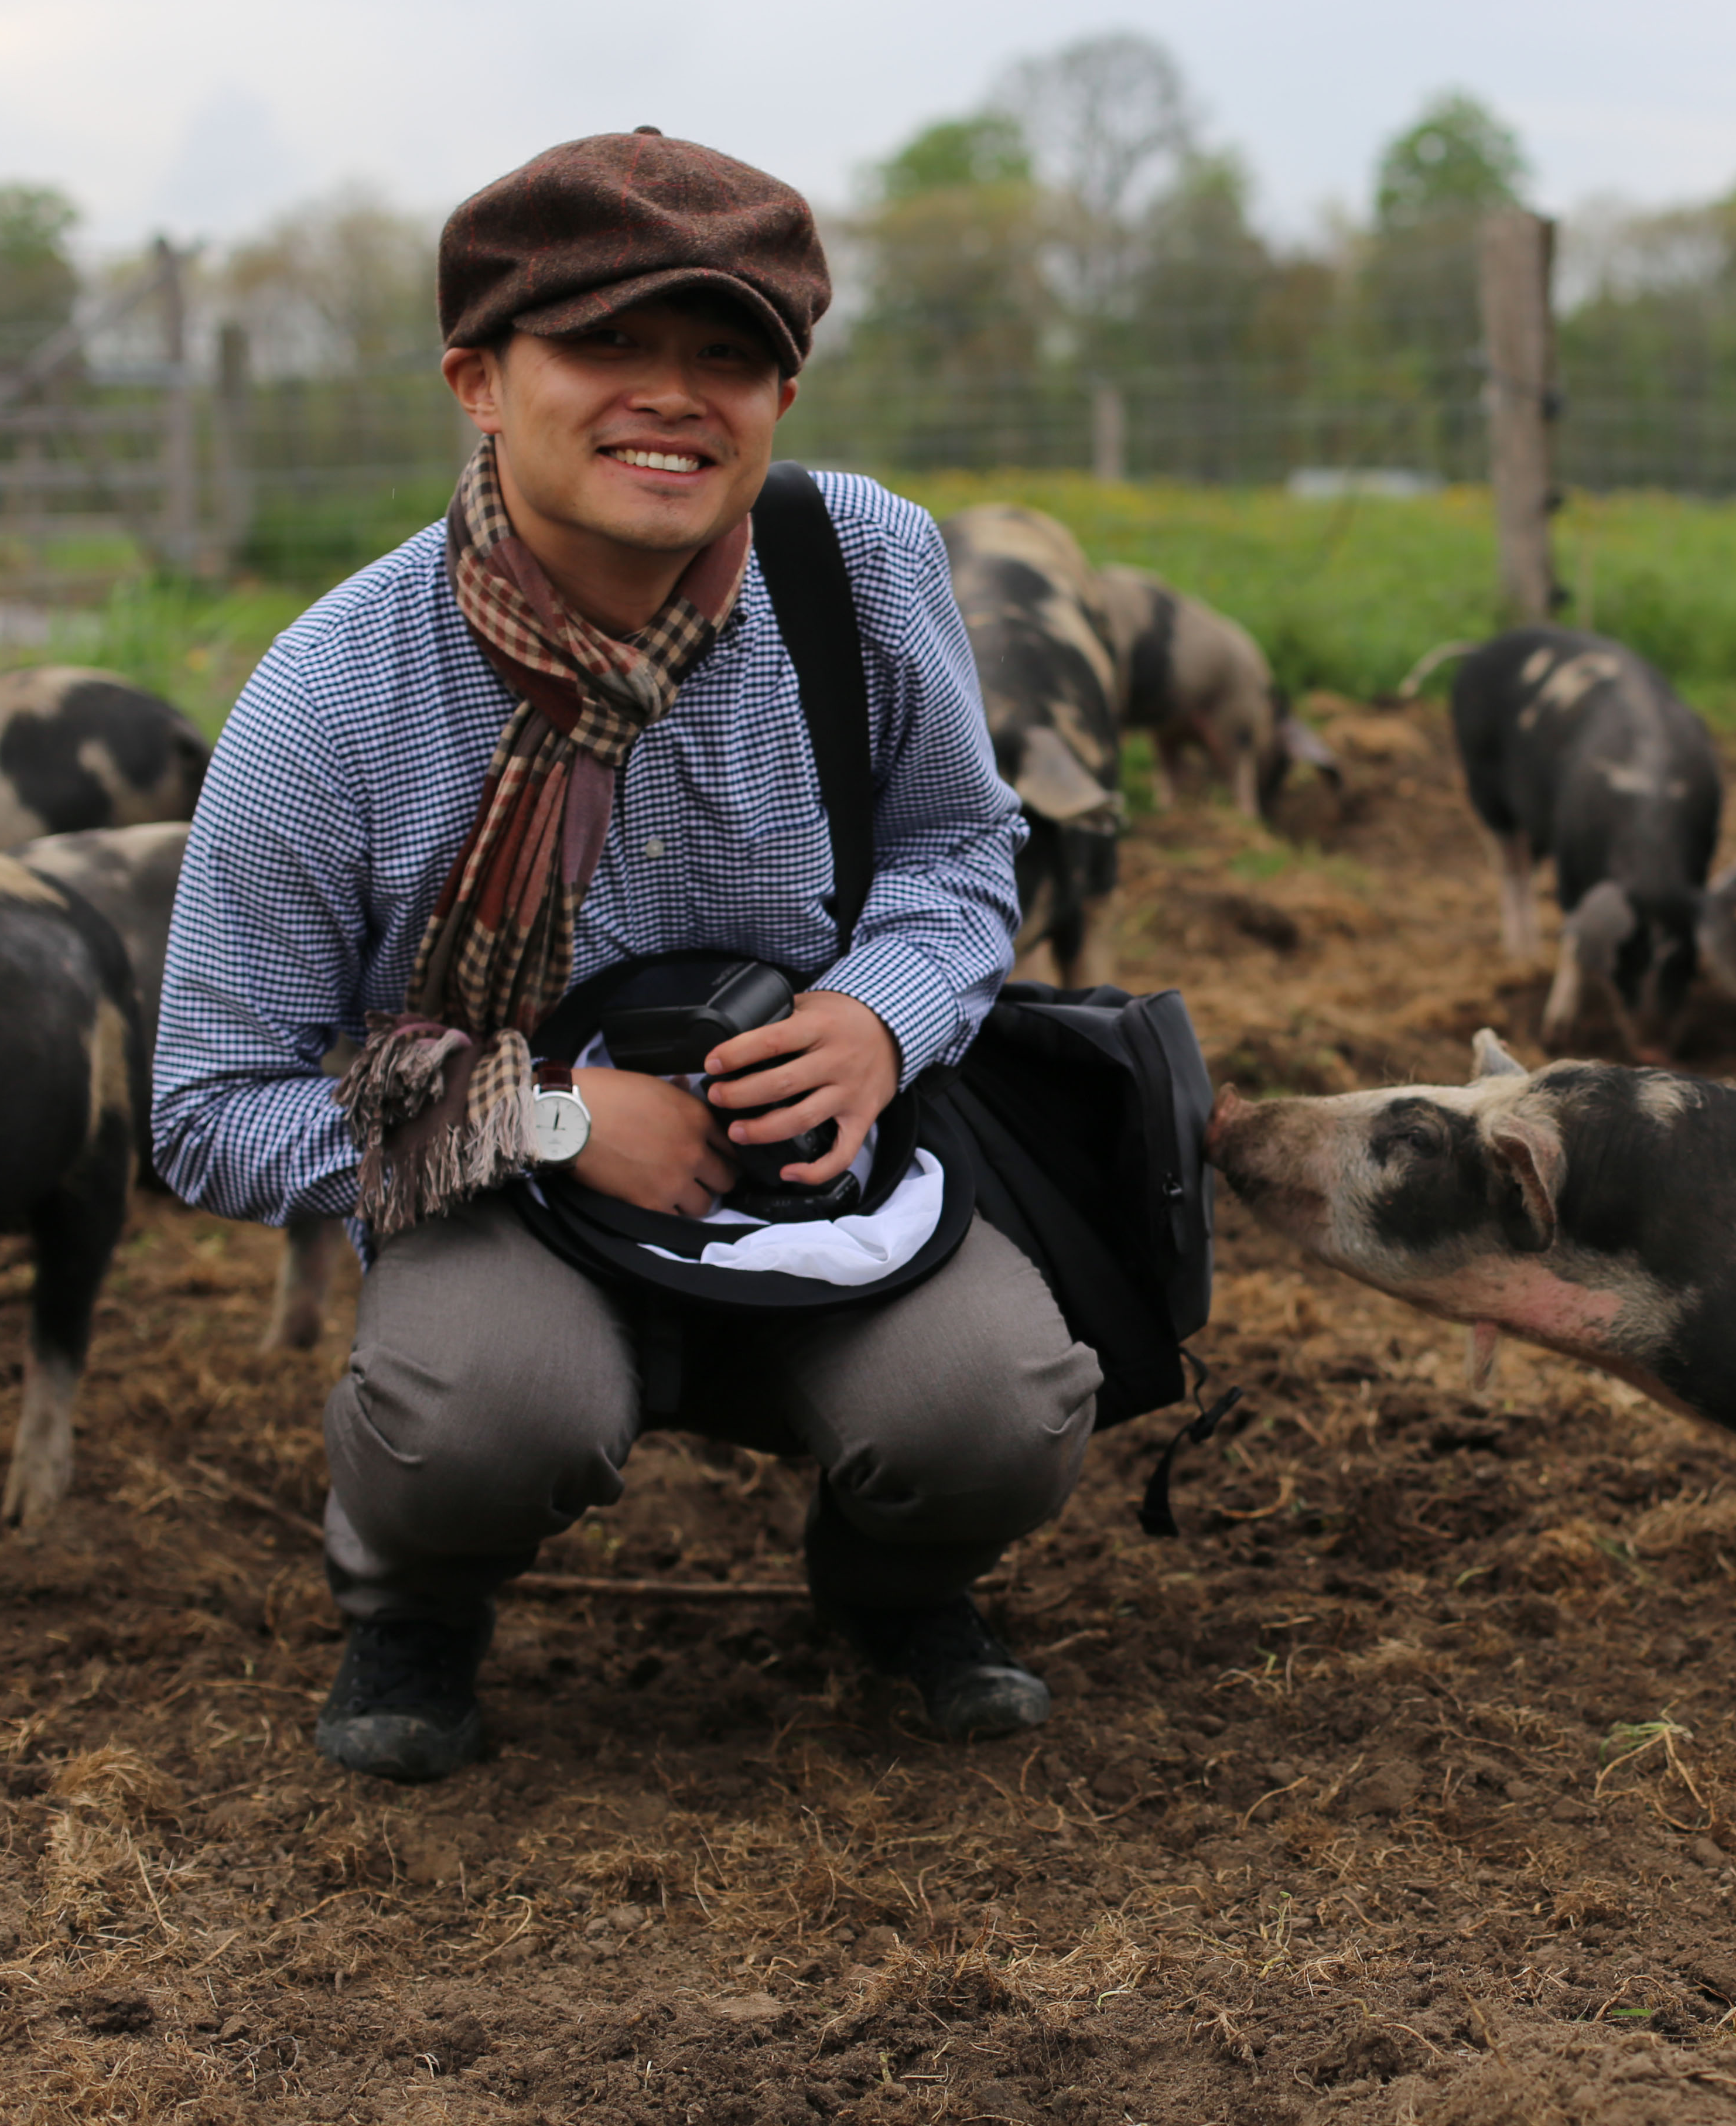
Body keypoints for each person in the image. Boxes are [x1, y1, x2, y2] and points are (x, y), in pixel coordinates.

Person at [152, 129, 1097, 1784]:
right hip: (501, 1180)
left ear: (782, 400)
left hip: (822, 1156)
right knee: (483, 1416)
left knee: (1001, 1409)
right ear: (479, 379)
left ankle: (892, 1587)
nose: (673, 395)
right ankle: (418, 1604)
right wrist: (549, 1121)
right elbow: (211, 1103)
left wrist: (876, 1019)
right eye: (604, 344)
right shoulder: (335, 696)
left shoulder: (860, 565)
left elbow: (959, 852)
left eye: (727, 355)